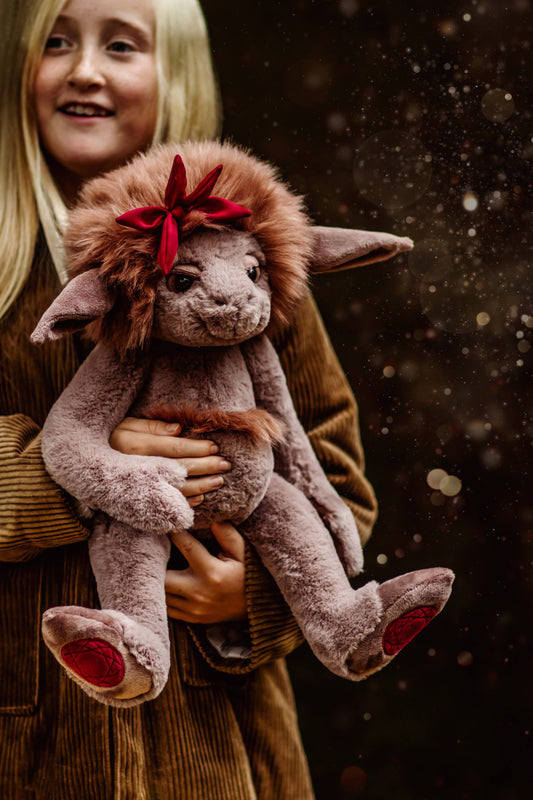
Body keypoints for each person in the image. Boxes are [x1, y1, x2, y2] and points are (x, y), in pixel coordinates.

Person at [0, 0, 378, 797]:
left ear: (176, 75)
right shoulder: (5, 267)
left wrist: (259, 592)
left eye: (122, 45)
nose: (86, 69)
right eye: (56, 40)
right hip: (29, 739)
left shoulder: (251, 267)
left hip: (219, 749)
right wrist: (64, 478)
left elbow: (332, 472)